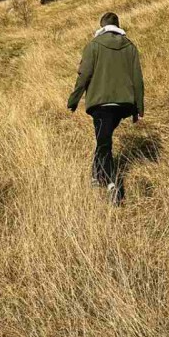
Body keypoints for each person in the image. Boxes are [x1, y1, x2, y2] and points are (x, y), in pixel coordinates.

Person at [67, 12, 145, 203]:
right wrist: (138, 108)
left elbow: (84, 75)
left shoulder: (93, 46)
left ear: (101, 26)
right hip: (123, 104)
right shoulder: (130, 47)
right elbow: (138, 79)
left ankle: (112, 186)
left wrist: (73, 100)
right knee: (104, 139)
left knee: (105, 143)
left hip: (101, 104)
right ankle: (96, 176)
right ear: (118, 26)